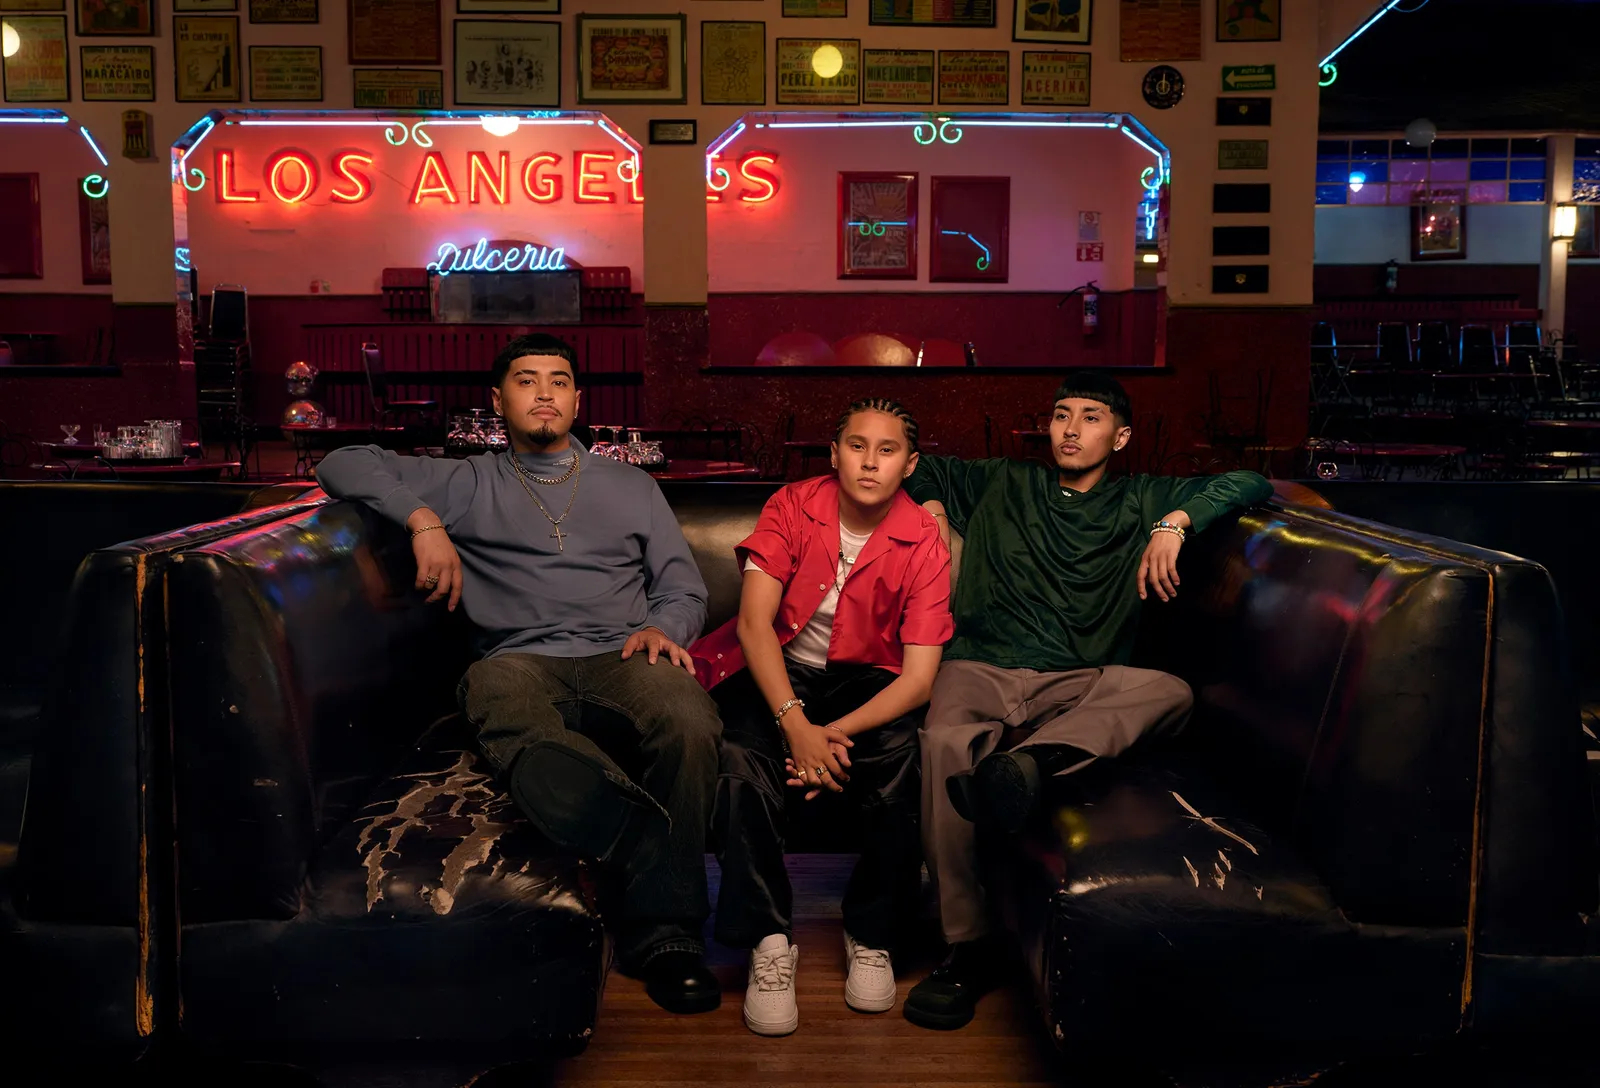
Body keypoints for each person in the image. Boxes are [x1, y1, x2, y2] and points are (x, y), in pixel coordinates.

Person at [315, 333, 723, 1015]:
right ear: (498, 400)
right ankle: (635, 836)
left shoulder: (632, 485)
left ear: (577, 400)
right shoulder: (467, 481)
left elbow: (682, 587)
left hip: (624, 653)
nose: (544, 394)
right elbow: (340, 461)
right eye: (527, 381)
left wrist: (665, 628)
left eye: (558, 381)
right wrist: (422, 520)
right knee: (493, 689)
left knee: (689, 717)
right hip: (519, 657)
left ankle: (669, 937)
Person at [899, 371, 1274, 1031]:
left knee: (1170, 691)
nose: (1071, 430)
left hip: (1081, 680)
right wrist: (931, 506)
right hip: (982, 665)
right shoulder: (1002, 480)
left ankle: (1033, 764)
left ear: (1121, 437)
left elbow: (1250, 481)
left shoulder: (1144, 497)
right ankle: (968, 946)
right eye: (1061, 415)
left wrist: (1174, 523)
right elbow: (916, 464)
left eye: (1091, 417)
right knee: (944, 746)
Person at [691, 399, 952, 1037]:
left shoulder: (924, 538)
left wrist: (828, 736)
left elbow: (918, 680)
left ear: (910, 465)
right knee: (738, 759)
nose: (870, 462)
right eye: (856, 446)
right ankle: (768, 940)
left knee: (903, 761)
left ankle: (873, 934)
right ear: (834, 455)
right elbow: (754, 625)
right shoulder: (792, 504)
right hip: (779, 667)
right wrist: (794, 723)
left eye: (887, 450)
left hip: (872, 682)